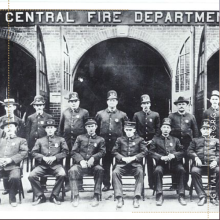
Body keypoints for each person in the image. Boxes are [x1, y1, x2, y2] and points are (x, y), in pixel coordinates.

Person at [28, 119, 69, 206]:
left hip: (56, 165)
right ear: (45, 129)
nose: (50, 129)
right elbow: (33, 152)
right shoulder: (40, 140)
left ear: (55, 129)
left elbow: (66, 152)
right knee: (31, 176)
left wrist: (55, 157)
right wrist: (43, 158)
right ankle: (40, 196)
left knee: (62, 174)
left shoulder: (61, 139)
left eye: (52, 127)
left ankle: (54, 196)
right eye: (48, 128)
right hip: (42, 166)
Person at [95, 90, 128, 191]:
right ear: (107, 102)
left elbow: (127, 129)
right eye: (110, 100)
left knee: (118, 164)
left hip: (118, 145)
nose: (112, 102)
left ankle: (116, 184)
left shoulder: (122, 115)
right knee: (106, 164)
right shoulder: (100, 114)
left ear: (117, 102)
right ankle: (106, 184)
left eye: (114, 100)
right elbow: (95, 128)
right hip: (105, 144)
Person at [149, 118, 186, 206]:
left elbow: (182, 151)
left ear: (170, 129)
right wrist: (161, 157)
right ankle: (159, 195)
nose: (166, 129)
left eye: (167, 127)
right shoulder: (155, 139)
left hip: (174, 164)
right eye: (164, 127)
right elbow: (151, 152)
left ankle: (181, 195)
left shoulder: (175, 140)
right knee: (157, 171)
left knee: (181, 170)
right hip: (162, 165)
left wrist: (174, 155)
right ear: (161, 129)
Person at [69, 118, 105, 207]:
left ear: (96, 127)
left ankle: (96, 195)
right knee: (72, 170)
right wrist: (81, 160)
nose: (91, 128)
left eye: (92, 126)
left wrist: (93, 158)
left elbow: (102, 152)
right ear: (86, 128)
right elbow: (73, 152)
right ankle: (76, 196)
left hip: (93, 165)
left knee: (100, 170)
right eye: (88, 126)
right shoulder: (80, 137)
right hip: (80, 165)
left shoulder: (100, 139)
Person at [58, 92, 89, 192]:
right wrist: (60, 141)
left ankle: (79, 184)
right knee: (67, 162)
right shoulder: (65, 112)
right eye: (71, 101)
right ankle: (67, 183)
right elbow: (61, 128)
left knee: (78, 162)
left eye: (75, 101)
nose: (73, 103)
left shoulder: (84, 112)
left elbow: (87, 127)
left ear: (79, 102)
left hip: (79, 142)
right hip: (67, 141)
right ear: (69, 102)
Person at [112, 121, 147, 208]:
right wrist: (122, 158)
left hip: (135, 164)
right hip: (122, 165)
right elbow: (114, 151)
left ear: (134, 130)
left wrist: (134, 158)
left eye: (130, 130)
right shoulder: (120, 140)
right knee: (115, 172)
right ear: (124, 130)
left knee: (140, 172)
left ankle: (137, 197)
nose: (128, 131)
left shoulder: (140, 140)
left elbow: (145, 151)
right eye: (126, 129)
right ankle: (119, 197)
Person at [169, 96, 199, 190]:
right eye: (179, 104)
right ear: (177, 106)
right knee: (174, 161)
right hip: (175, 143)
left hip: (187, 143)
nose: (181, 106)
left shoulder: (191, 116)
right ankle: (174, 183)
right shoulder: (171, 116)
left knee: (186, 163)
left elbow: (195, 131)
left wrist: (195, 143)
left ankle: (185, 183)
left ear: (186, 105)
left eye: (183, 104)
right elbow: (168, 129)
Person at [187, 119, 219, 206]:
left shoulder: (216, 140)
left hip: (212, 165)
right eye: (204, 129)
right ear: (201, 130)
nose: (206, 130)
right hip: (199, 165)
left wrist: (216, 161)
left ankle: (214, 196)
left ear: (211, 130)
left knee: (219, 171)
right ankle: (202, 196)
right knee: (194, 171)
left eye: (207, 129)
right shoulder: (195, 140)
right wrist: (196, 157)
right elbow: (189, 151)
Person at [133, 94, 160, 189]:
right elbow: (134, 129)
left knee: (151, 163)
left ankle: (151, 183)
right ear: (141, 105)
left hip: (151, 143)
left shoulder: (155, 115)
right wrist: (140, 141)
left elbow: (158, 130)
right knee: (139, 163)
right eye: (144, 103)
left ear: (150, 104)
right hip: (140, 143)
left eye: (147, 103)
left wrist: (152, 140)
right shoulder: (137, 115)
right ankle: (140, 185)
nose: (146, 105)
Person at [26, 95, 52, 192]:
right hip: (34, 145)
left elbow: (51, 131)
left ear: (43, 105)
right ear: (34, 106)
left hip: (44, 145)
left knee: (44, 164)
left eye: (40, 105)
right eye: (37, 105)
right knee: (35, 165)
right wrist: (28, 146)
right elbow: (27, 132)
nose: (39, 107)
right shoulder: (30, 117)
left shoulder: (48, 117)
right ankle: (34, 186)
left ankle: (43, 184)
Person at [0, 119, 28, 207]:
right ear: (4, 129)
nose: (9, 129)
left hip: (14, 166)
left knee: (15, 177)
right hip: (0, 166)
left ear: (15, 128)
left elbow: (24, 153)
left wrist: (10, 160)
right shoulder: (1, 140)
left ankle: (12, 197)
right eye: (6, 127)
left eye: (11, 126)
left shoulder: (21, 140)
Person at [0, 98, 25, 195]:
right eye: (6, 107)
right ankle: (7, 188)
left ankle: (14, 188)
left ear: (14, 107)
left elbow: (23, 134)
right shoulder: (1, 120)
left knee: (13, 167)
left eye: (10, 106)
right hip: (3, 146)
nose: (8, 108)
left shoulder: (19, 120)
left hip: (16, 147)